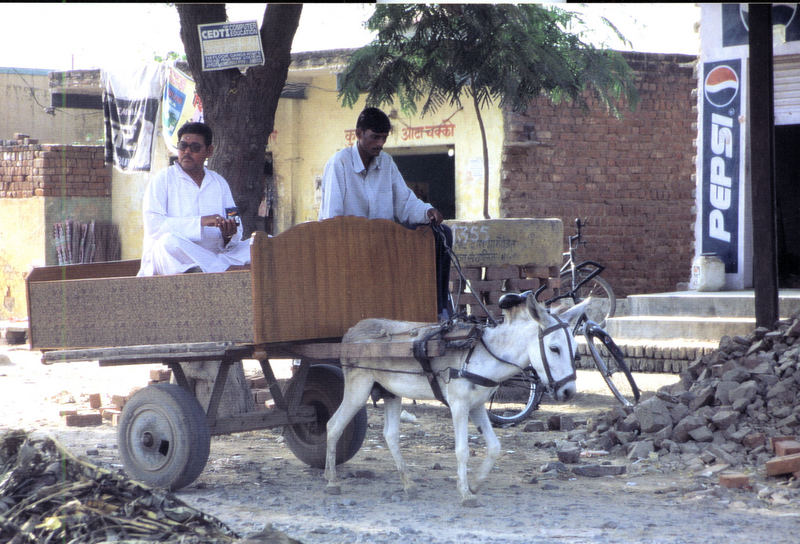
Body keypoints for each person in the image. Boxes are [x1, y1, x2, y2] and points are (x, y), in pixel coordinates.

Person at [319, 107, 454, 320]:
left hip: (386, 241)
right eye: (374, 137)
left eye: (383, 138)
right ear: (359, 134)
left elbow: (405, 203)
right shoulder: (340, 163)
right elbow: (331, 220)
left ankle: (438, 309)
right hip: (352, 243)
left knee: (442, 233)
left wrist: (427, 211)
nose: (380, 144)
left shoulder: (386, 162)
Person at [137, 122, 251, 276]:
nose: (187, 152)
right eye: (183, 146)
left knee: (259, 244)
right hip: (177, 257)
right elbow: (154, 227)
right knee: (167, 243)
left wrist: (228, 234)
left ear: (209, 151)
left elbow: (235, 224)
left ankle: (210, 269)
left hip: (213, 256)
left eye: (195, 147)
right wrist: (200, 222)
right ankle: (219, 270)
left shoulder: (219, 182)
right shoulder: (162, 179)